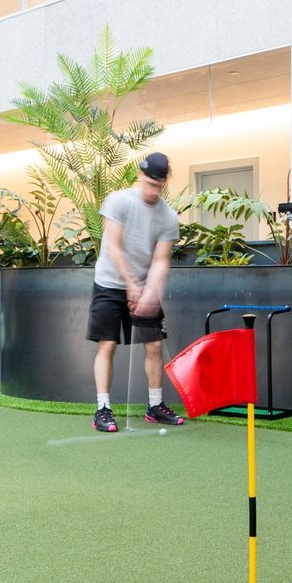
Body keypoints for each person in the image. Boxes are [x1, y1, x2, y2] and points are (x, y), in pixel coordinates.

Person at [90, 152, 187, 432]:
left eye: (157, 186)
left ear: (164, 183)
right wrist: (131, 284)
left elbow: (160, 260)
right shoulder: (119, 201)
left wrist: (149, 292)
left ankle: (154, 406)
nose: (152, 190)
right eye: (148, 183)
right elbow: (114, 246)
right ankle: (102, 409)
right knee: (107, 344)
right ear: (140, 176)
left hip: (145, 286)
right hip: (109, 283)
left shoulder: (168, 217)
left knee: (154, 345)